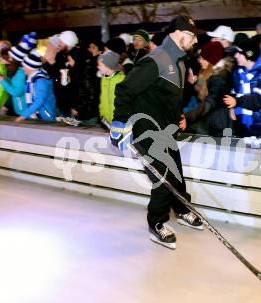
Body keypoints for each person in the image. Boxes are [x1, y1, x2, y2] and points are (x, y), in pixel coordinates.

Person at [111, 15, 203, 250]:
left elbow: (167, 96)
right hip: (145, 130)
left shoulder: (181, 60)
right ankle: (157, 224)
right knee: (162, 178)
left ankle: (182, 210)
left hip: (166, 129)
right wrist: (119, 124)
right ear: (177, 33)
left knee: (176, 173)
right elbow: (125, 90)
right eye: (191, 35)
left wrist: (178, 115)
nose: (194, 40)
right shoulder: (156, 60)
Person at [223, 38, 261, 137]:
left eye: (239, 53)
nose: (236, 56)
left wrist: (236, 101)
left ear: (249, 55)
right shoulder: (238, 71)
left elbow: (258, 99)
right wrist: (232, 107)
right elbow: (234, 90)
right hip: (244, 125)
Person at [182, 41, 235, 137]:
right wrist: (192, 85)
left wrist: (189, 116)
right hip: (211, 121)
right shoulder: (211, 74)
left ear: (211, 59)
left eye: (202, 58)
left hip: (219, 126)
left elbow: (210, 101)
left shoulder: (220, 77)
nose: (199, 60)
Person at [15, 50, 56, 122]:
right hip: (38, 117)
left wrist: (24, 115)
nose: (23, 68)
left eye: (24, 66)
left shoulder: (41, 81)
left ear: (30, 67)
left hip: (46, 118)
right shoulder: (30, 79)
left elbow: (39, 101)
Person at [98, 51, 125, 123]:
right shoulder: (104, 79)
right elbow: (102, 97)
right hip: (106, 120)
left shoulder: (122, 79)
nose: (98, 67)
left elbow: (126, 101)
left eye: (100, 65)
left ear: (108, 66)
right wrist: (102, 114)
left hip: (119, 121)